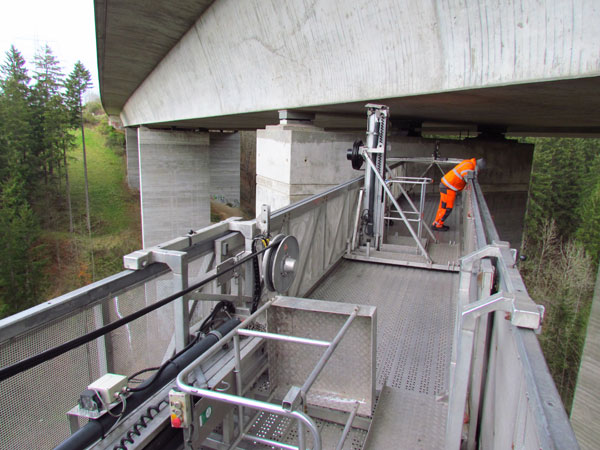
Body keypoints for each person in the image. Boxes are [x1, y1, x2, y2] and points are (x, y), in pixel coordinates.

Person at [432, 158, 486, 231]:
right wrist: (469, 183)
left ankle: (436, 223)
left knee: (443, 207)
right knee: (447, 208)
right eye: (479, 170)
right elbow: (466, 176)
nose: (478, 172)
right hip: (448, 188)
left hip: (446, 186)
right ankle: (438, 225)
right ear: (477, 167)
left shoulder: (468, 162)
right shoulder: (469, 166)